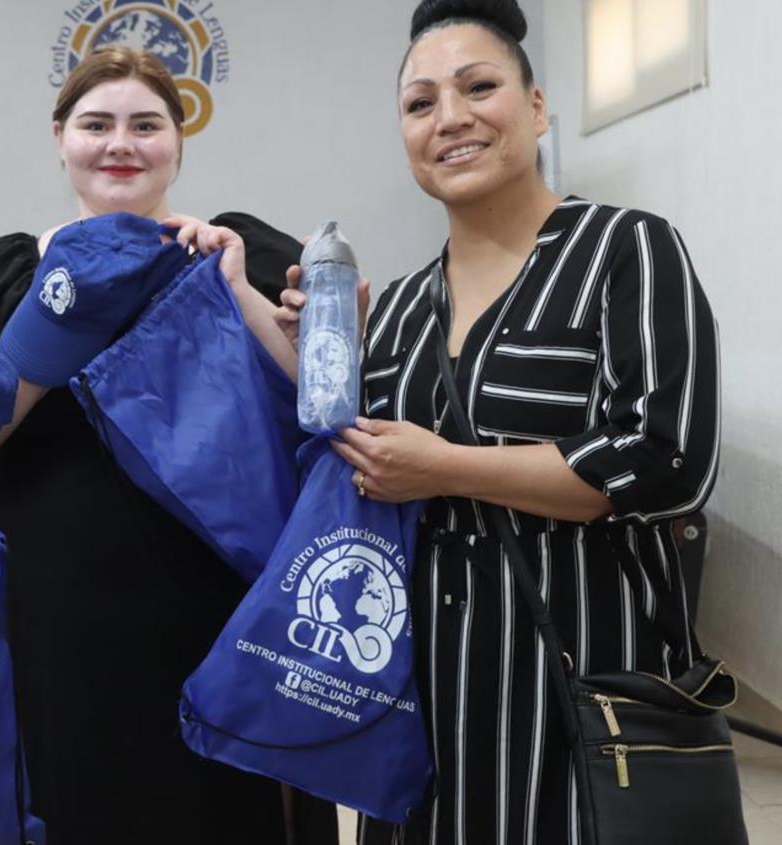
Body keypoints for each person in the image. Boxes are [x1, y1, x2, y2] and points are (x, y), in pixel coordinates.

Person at [276, 1, 719, 842]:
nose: (451, 118)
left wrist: (450, 465)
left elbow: (667, 461)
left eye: (479, 86)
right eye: (419, 103)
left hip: (581, 695)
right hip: (421, 711)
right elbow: (359, 481)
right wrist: (319, 362)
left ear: (539, 106)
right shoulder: (400, 306)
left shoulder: (624, 251)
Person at [0, 47, 309, 845]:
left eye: (145, 124)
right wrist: (52, 328)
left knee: (217, 808)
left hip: (217, 597)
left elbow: (317, 407)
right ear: (60, 138)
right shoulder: (10, 274)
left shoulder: (240, 253)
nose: (119, 143)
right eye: (96, 124)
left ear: (177, 144)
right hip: (55, 608)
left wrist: (231, 287)